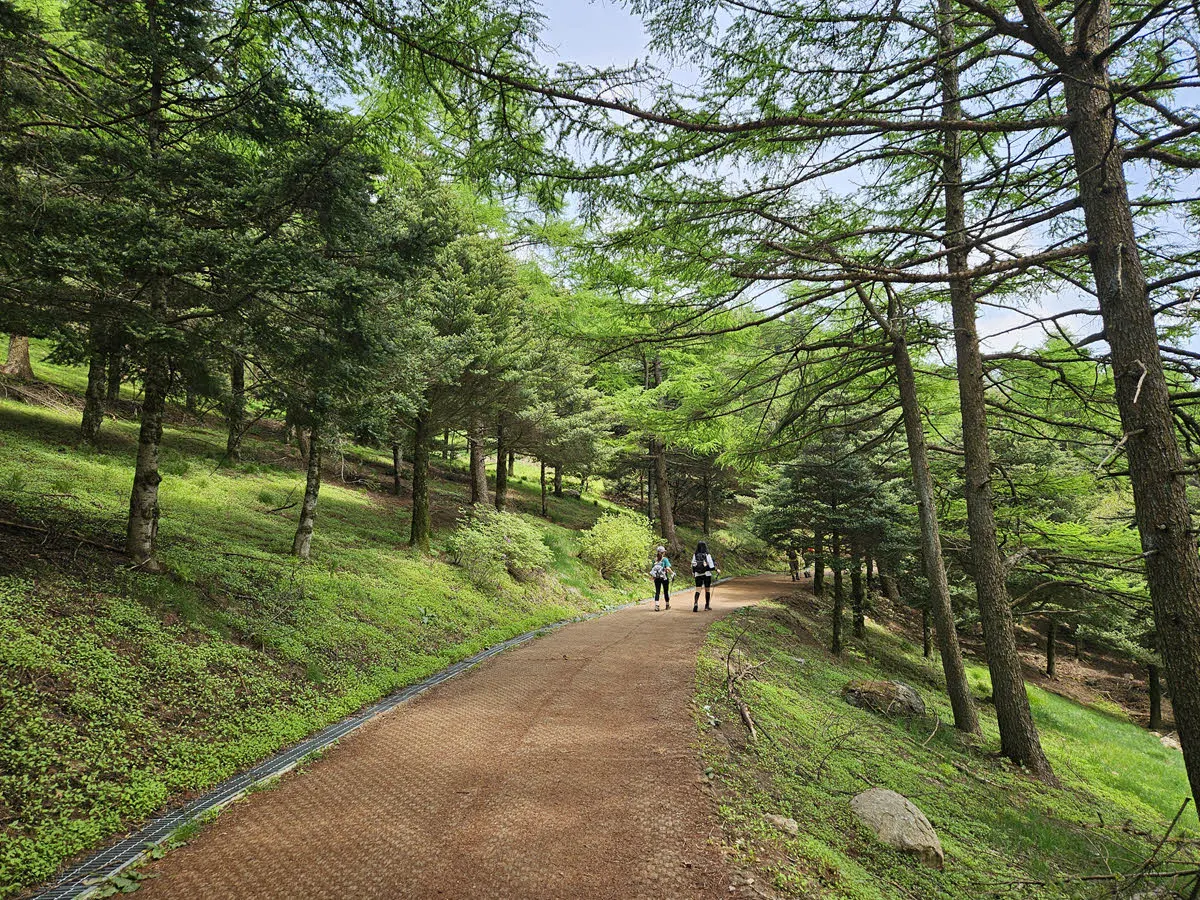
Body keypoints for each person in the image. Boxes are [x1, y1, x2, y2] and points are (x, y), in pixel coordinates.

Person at [691, 541, 718, 612]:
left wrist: (694, 573)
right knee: (707, 590)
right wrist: (716, 569)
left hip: (698, 574)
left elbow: (693, 565)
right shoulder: (707, 555)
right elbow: (711, 566)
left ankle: (696, 603)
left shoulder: (695, 554)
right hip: (707, 574)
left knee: (698, 589)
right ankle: (707, 606)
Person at [650, 545, 673, 611]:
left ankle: (657, 605)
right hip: (664, 577)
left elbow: (652, 569)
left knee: (657, 591)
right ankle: (667, 605)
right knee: (666, 591)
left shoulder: (654, 560)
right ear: (663, 552)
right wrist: (672, 573)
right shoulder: (665, 559)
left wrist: (653, 577)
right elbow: (668, 568)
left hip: (657, 578)